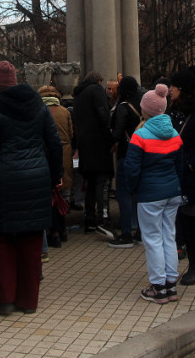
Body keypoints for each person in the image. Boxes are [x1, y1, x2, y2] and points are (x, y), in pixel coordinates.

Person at [0, 61, 63, 315]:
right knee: (31, 238)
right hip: (37, 178)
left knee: (0, 238)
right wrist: (54, 177)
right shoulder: (38, 105)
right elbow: (55, 143)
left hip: (5, 179)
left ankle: (4, 299)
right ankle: (28, 301)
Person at [122, 84, 183, 303]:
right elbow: (180, 165)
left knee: (152, 239)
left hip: (150, 193)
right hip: (172, 191)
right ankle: (171, 284)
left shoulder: (140, 136)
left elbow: (131, 169)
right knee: (169, 235)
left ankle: (158, 286)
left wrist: (133, 189)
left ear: (145, 110)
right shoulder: (175, 134)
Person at [166, 68, 195, 286]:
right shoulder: (174, 111)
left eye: (173, 86)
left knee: (194, 223)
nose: (170, 90)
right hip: (178, 175)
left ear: (182, 89)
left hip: (192, 177)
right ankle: (192, 258)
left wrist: (192, 163)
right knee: (183, 221)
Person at [72, 71, 114, 232]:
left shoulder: (78, 95)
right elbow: (103, 116)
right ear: (98, 81)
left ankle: (89, 218)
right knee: (102, 182)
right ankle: (103, 219)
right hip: (99, 144)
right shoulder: (95, 90)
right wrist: (110, 138)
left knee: (90, 183)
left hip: (85, 145)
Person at [106, 76, 143, 248]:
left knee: (124, 193)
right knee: (138, 194)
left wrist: (112, 140)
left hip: (126, 153)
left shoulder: (123, 106)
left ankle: (126, 233)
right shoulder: (143, 104)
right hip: (141, 153)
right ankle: (140, 233)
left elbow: (117, 132)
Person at [38, 86, 75, 247]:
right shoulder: (64, 111)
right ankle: (63, 229)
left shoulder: (38, 111)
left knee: (48, 194)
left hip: (45, 154)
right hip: (64, 152)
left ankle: (52, 231)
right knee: (63, 192)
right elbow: (71, 133)